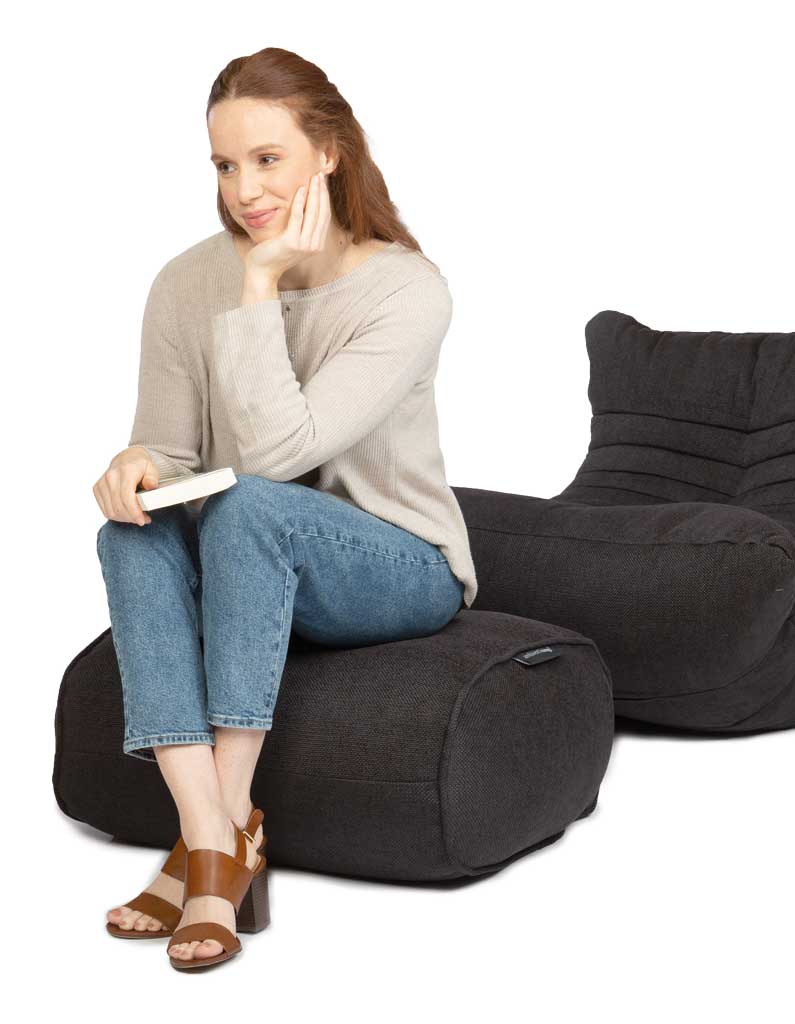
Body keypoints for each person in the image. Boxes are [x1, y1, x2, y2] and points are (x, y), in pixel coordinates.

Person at [93, 47, 477, 971]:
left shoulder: (407, 290)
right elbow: (174, 448)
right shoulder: (184, 281)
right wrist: (138, 465)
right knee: (129, 534)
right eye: (226, 165)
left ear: (329, 153)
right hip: (247, 548)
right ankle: (213, 837)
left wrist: (261, 284)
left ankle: (209, 847)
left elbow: (274, 458)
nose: (244, 190)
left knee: (253, 506)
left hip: (396, 566)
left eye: (268, 159)